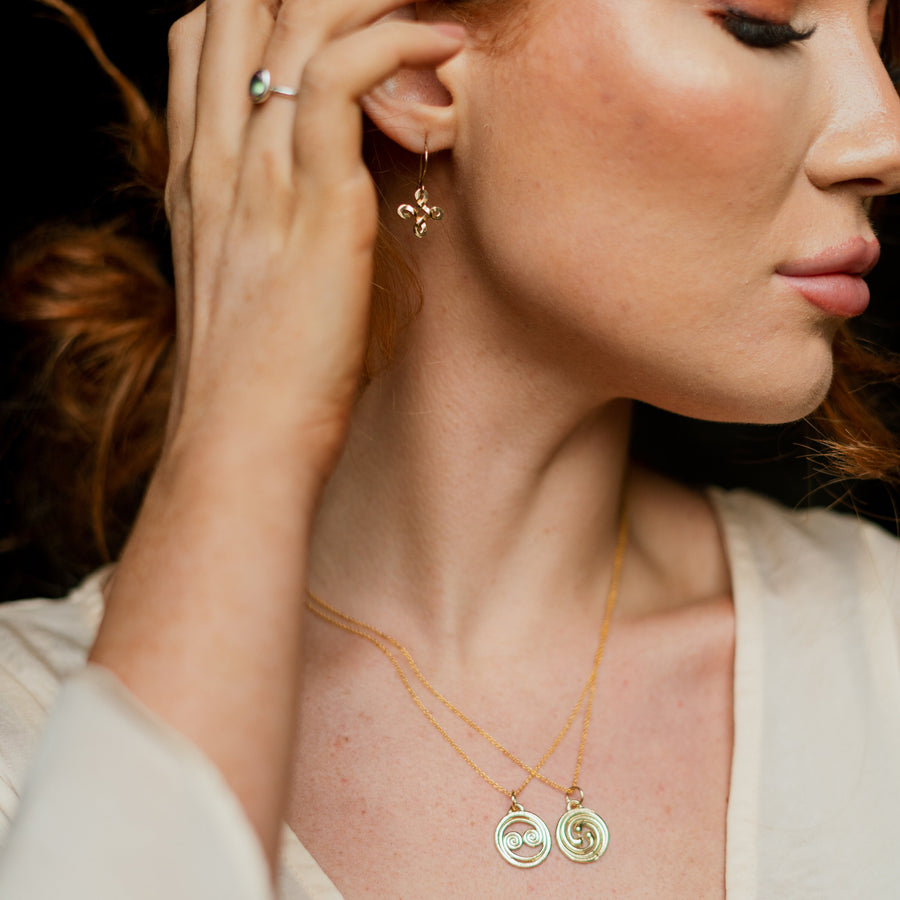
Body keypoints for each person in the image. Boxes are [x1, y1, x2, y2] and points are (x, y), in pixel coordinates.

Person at [1, 0, 900, 896]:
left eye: (881, 31)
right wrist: (238, 428)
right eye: (764, 22)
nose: (884, 137)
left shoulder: (878, 652)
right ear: (416, 70)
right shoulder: (24, 739)